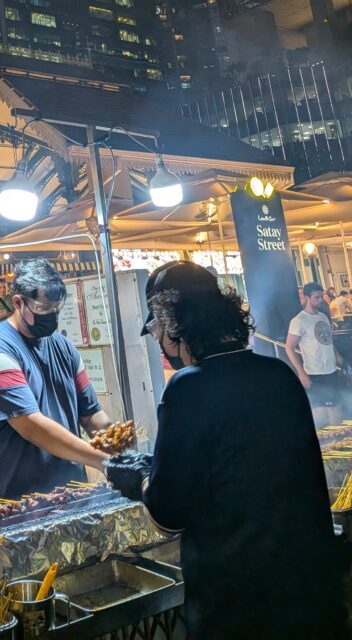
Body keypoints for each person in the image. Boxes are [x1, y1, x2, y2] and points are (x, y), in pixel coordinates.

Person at [102, 261, 348, 640]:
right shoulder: (278, 374)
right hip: (312, 594)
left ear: (172, 324)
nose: (157, 341)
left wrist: (138, 479)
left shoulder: (186, 389)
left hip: (241, 607)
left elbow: (169, 515)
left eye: (155, 331)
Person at [0, 258, 110, 502]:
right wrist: (103, 460)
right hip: (5, 496)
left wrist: (119, 446)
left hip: (64, 491)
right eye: (43, 308)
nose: (51, 315)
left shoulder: (64, 348)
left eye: (56, 308)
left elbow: (91, 414)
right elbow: (31, 425)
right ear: (18, 302)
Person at [286, 281, 341, 426]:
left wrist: (337, 356)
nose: (321, 300)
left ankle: (338, 437)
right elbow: (289, 347)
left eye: (321, 296)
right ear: (306, 298)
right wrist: (301, 373)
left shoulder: (323, 316)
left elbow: (328, 340)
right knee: (321, 413)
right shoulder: (299, 320)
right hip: (314, 372)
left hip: (331, 369)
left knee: (335, 410)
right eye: (317, 297)